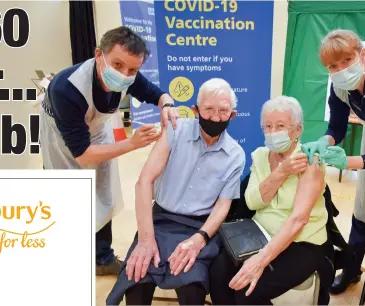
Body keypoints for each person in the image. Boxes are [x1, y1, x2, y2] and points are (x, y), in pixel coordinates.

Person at [39, 26, 179, 276]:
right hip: (61, 137)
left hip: (95, 128)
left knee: (103, 193)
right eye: (117, 64)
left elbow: (156, 94)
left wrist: (167, 103)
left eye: (132, 70)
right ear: (98, 55)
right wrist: (132, 143)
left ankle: (102, 258)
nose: (125, 74)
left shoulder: (129, 75)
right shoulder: (67, 88)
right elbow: (81, 154)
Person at [106, 78, 245, 305]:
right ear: (195, 110)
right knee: (137, 278)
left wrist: (200, 239)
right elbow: (144, 182)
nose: (215, 117)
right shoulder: (175, 130)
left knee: (191, 286)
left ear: (233, 115)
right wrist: (145, 239)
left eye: (223, 111)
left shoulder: (235, 155)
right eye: (209, 110)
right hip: (160, 220)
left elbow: (223, 205)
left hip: (199, 227)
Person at [301, 29, 365, 304]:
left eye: (346, 60)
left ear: (362, 55)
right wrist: (325, 140)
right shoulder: (340, 85)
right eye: (332, 66)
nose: (340, 70)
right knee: (364, 211)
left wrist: (348, 162)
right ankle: (352, 271)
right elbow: (337, 126)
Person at [209, 96, 334, 305]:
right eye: (267, 126)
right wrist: (282, 172)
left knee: (247, 291)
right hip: (259, 233)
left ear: (297, 131)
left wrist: (260, 260)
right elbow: (252, 202)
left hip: (302, 242)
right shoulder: (260, 155)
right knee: (218, 274)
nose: (273, 132)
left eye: (280, 126)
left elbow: (299, 220)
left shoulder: (311, 161)